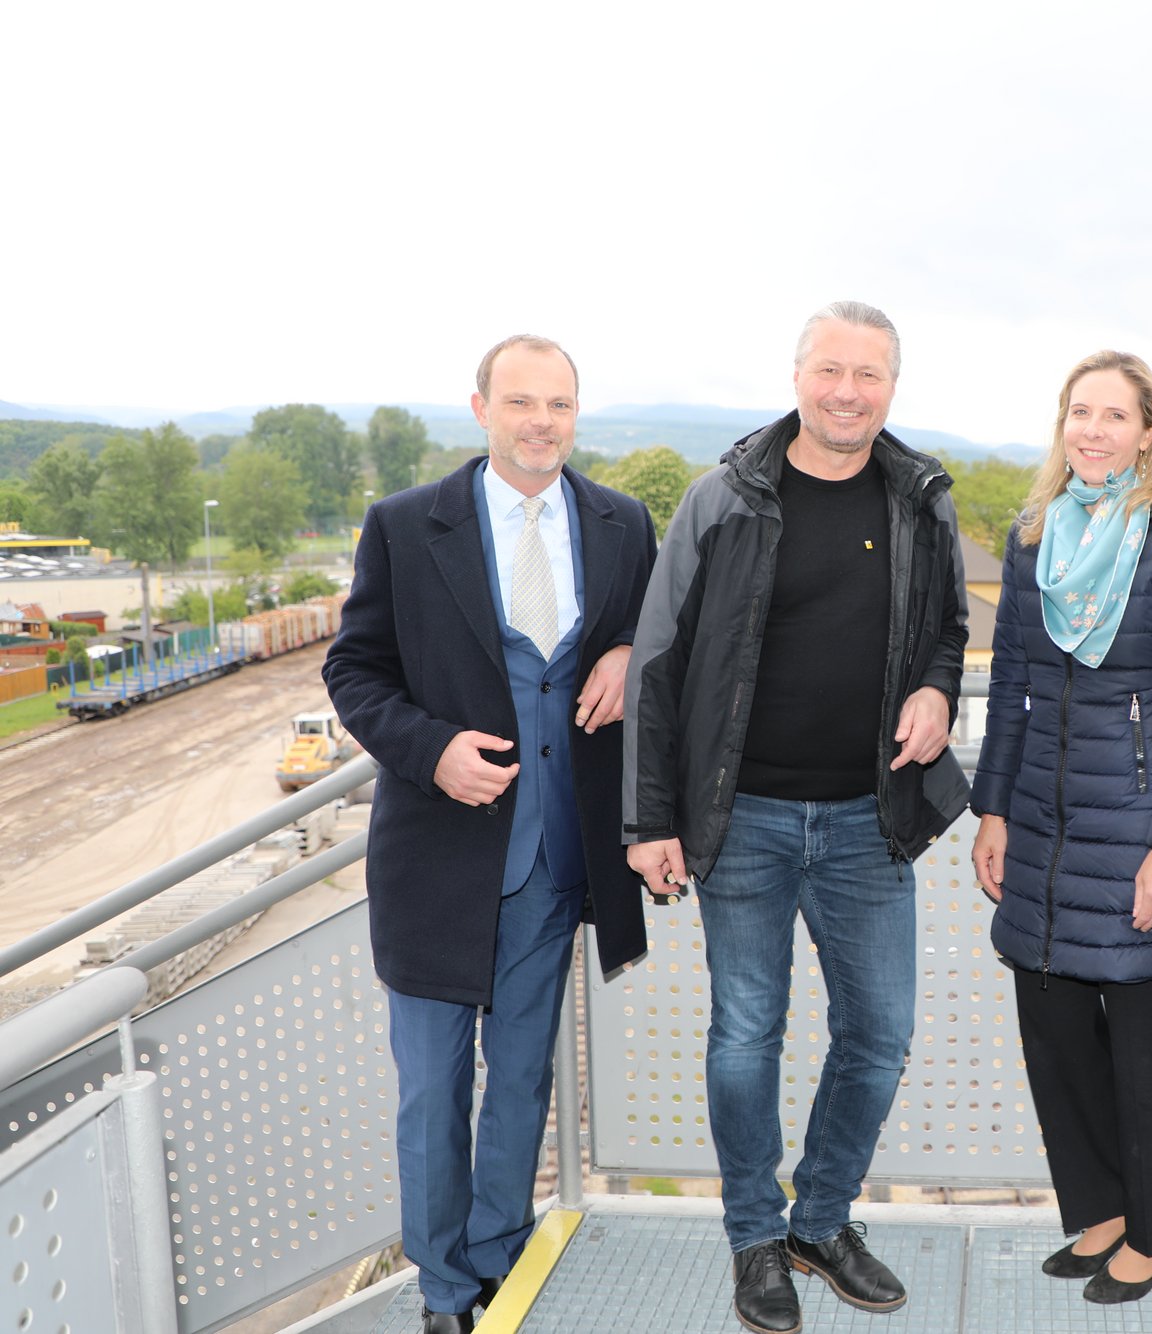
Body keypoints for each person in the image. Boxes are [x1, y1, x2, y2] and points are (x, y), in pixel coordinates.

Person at [623, 301, 971, 1334]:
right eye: (830, 369)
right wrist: (650, 816)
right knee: (745, 1031)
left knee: (879, 1031)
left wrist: (940, 691)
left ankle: (819, 1219)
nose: (846, 391)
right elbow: (657, 660)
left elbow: (950, 626)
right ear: (797, 375)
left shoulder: (919, 500)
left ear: (890, 388)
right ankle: (752, 1238)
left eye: (868, 374)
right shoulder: (724, 497)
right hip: (745, 820)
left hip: (870, 818)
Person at [323, 335, 657, 1334]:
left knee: (518, 1081)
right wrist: (430, 751)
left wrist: (634, 651)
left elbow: (661, 634)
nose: (540, 421)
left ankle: (499, 1256)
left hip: (557, 859)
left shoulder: (621, 521)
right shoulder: (402, 526)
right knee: (432, 1093)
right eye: (520, 401)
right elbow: (354, 672)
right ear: (479, 408)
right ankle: (440, 1288)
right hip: (436, 861)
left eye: (558, 402)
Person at [970, 351, 1152, 1307]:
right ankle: (1100, 1209)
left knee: (1146, 1037)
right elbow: (1010, 685)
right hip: (1043, 828)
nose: (1093, 430)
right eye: (1079, 413)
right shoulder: (1036, 532)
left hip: (1140, 829)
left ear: (1148, 434)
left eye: (1114, 416)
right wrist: (991, 807)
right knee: (1054, 1026)